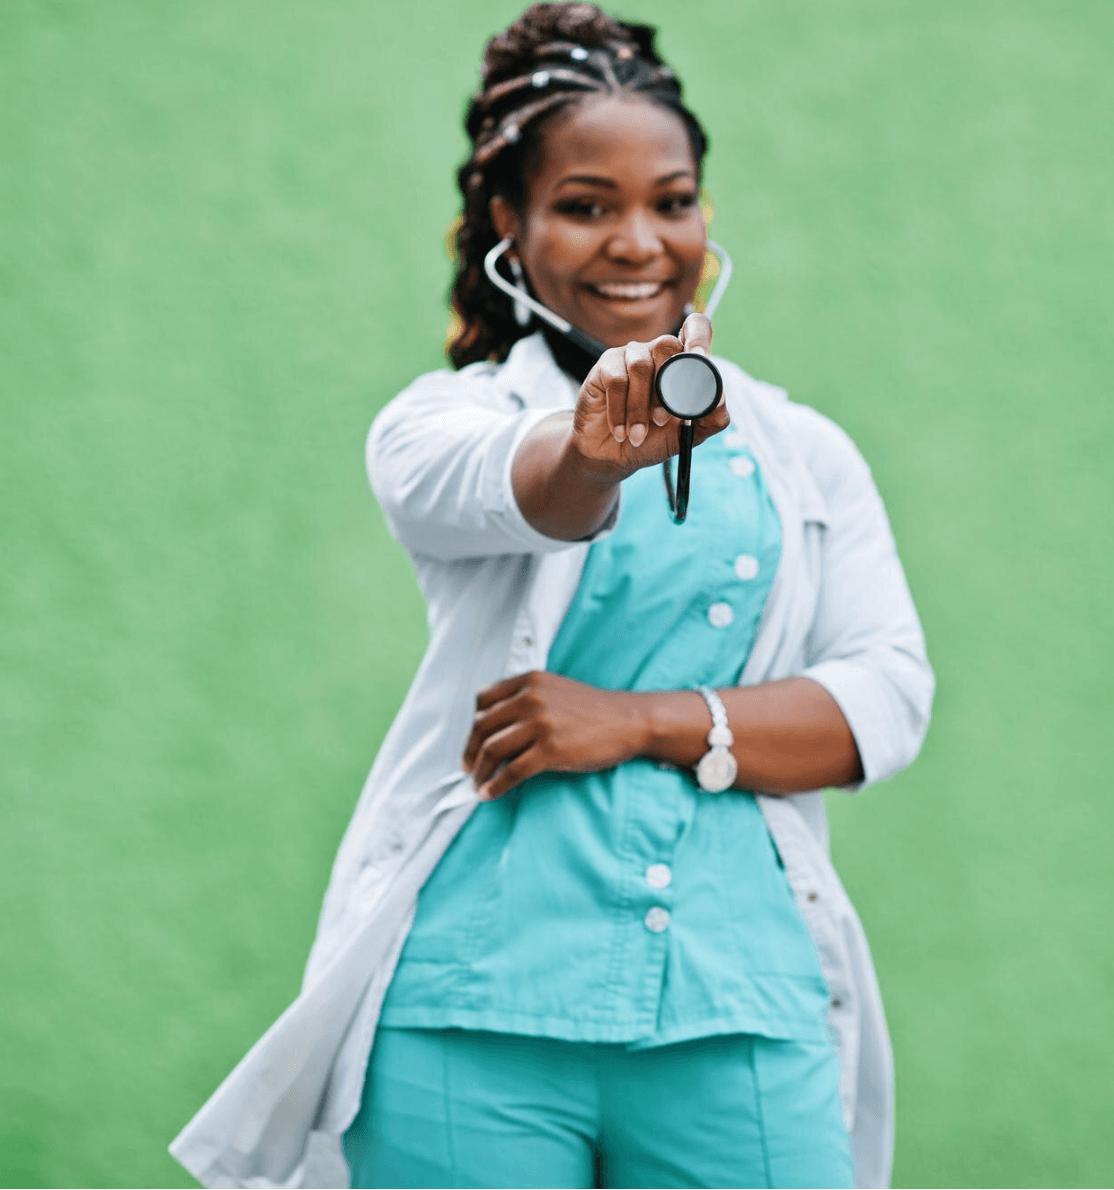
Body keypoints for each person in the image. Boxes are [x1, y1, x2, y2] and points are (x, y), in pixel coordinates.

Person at [169, 4, 934, 1188]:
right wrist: (591, 449)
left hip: (739, 1001)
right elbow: (510, 492)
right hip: (470, 1009)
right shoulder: (444, 420)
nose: (638, 240)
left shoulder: (806, 453)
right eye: (585, 205)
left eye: (670, 201)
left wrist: (637, 719)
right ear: (508, 233)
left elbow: (883, 699)